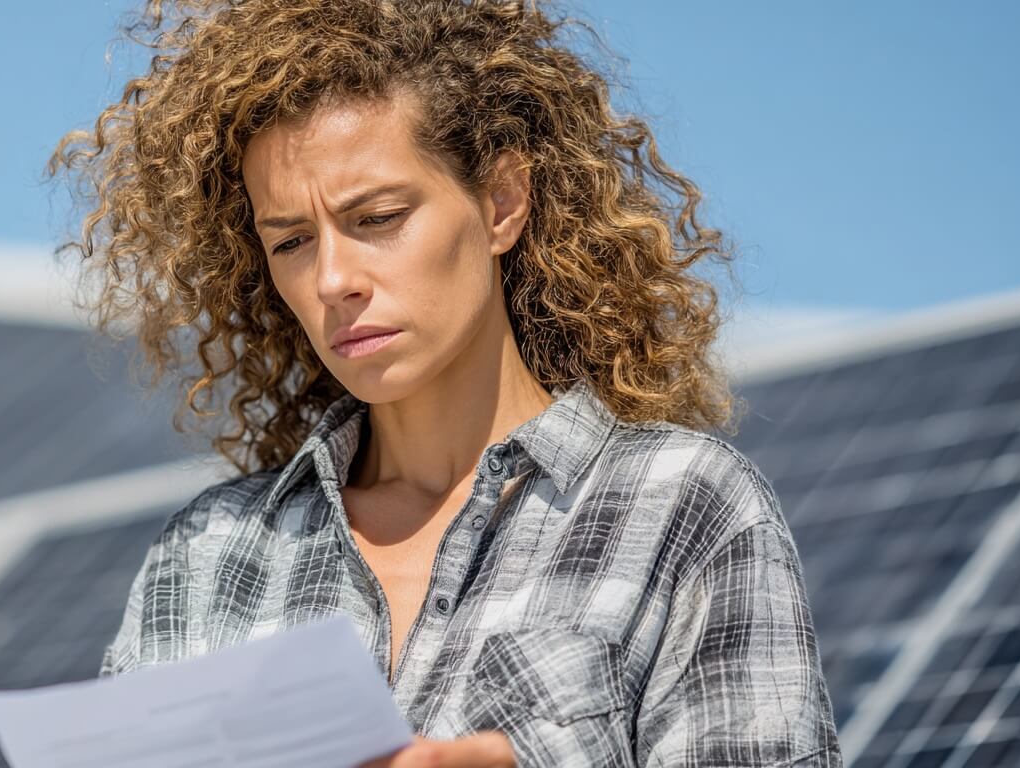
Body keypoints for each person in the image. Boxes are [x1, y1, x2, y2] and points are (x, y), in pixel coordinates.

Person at [48, 1, 842, 765]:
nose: (332, 279)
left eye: (378, 218)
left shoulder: (684, 509)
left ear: (502, 202)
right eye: (291, 241)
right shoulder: (206, 558)